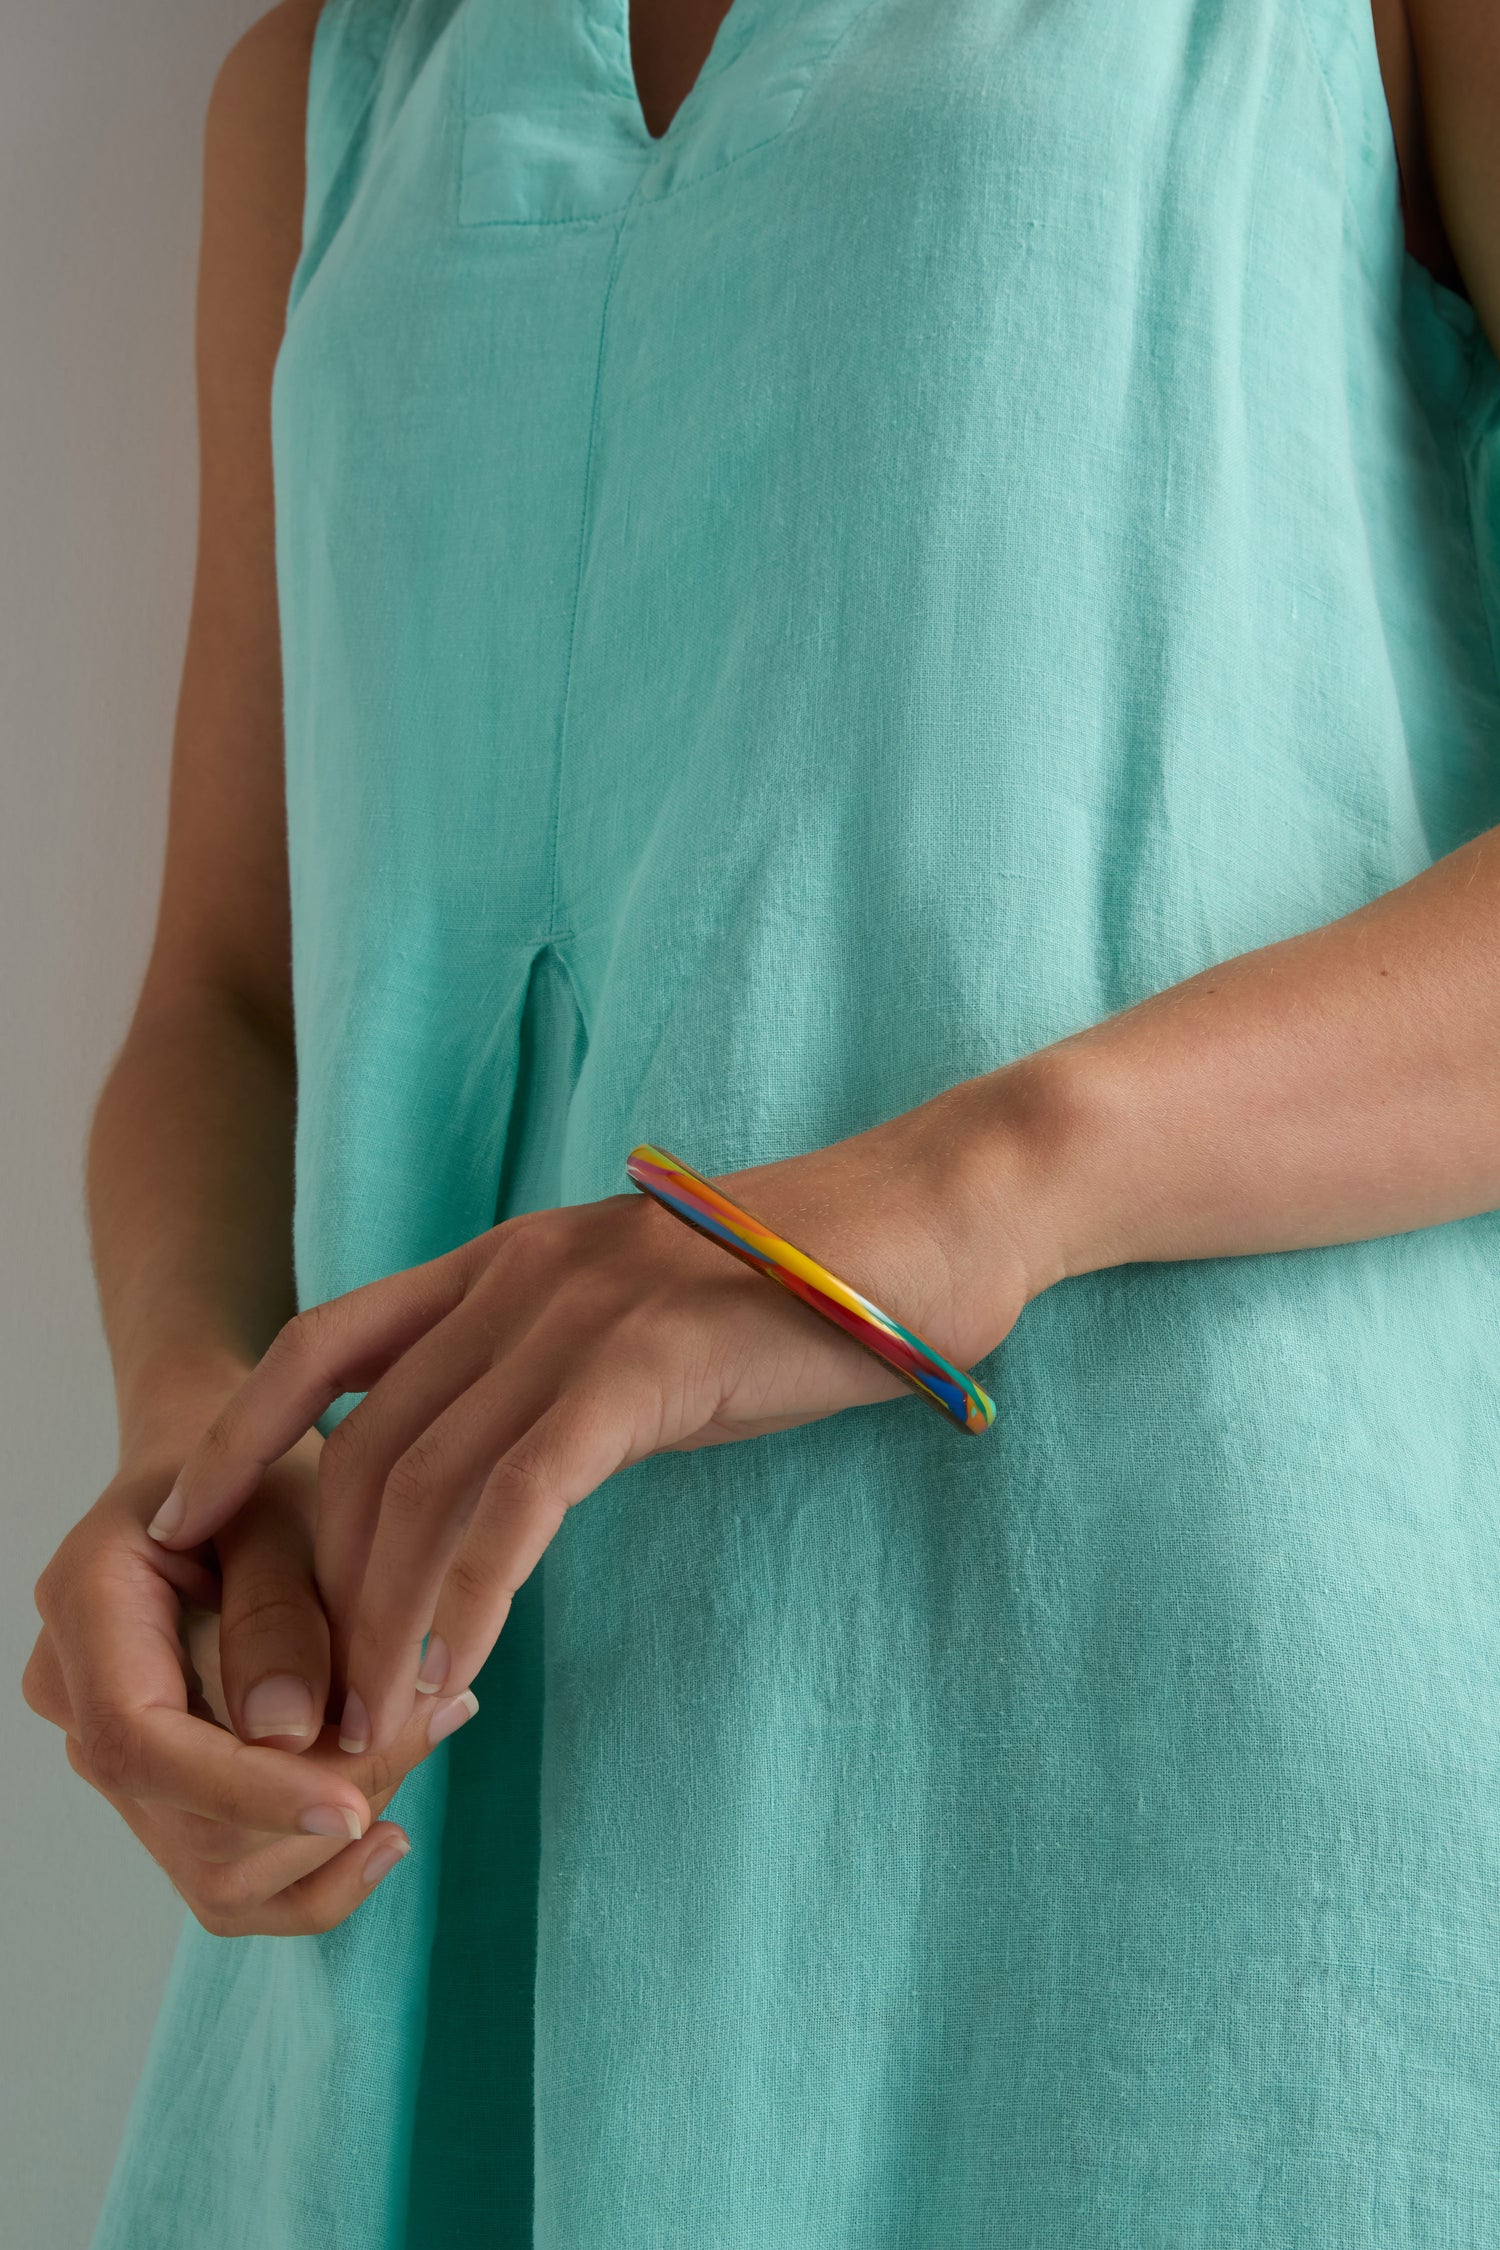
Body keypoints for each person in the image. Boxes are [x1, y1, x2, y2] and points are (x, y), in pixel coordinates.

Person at [23, 0, 1500, 2240]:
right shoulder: (334, 86)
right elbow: (232, 996)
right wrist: (192, 1448)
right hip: (431, 1824)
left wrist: (964, 1188)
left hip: (1187, 1817)